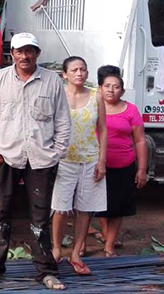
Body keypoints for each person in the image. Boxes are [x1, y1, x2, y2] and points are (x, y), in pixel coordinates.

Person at [0, 32, 71, 290]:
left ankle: (46, 271)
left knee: (40, 217)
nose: (24, 56)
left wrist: (56, 152)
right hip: (5, 156)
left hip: (41, 159)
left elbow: (63, 122)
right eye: (19, 51)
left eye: (30, 51)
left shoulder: (51, 82)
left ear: (37, 54)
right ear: (12, 54)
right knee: (0, 213)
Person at [50, 56, 107, 275]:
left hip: (90, 159)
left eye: (83, 69)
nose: (79, 74)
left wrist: (101, 160)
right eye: (74, 70)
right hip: (63, 159)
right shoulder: (58, 95)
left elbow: (102, 129)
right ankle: (56, 249)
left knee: (85, 209)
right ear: (64, 74)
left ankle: (75, 253)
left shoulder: (96, 96)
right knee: (61, 208)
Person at [94, 65, 148, 257]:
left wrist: (141, 169)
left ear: (122, 90)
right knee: (96, 206)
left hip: (123, 166)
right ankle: (101, 236)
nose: (111, 90)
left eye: (116, 86)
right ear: (99, 88)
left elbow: (140, 140)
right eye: (107, 86)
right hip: (97, 167)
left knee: (117, 207)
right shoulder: (92, 108)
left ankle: (108, 246)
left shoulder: (131, 110)